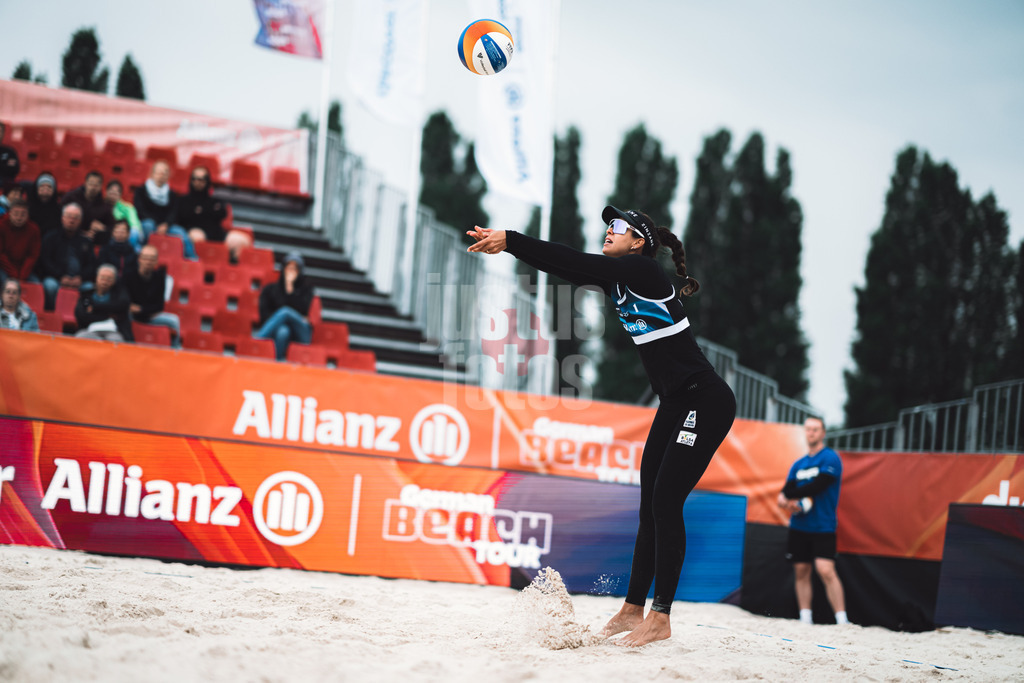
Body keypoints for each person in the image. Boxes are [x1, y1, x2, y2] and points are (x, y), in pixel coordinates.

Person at [467, 207, 737, 647]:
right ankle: (633, 608)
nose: (608, 232)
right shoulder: (621, 278)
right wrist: (514, 247)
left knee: (667, 501)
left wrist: (512, 240)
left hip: (705, 400)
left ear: (638, 243)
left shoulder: (641, 270)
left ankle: (661, 616)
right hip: (674, 402)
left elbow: (574, 260)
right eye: (607, 226)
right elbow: (567, 266)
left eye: (618, 228)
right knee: (649, 504)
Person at [776, 416, 849, 626]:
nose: (811, 433)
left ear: (823, 432)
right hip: (799, 525)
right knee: (801, 571)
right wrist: (788, 499)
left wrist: (791, 496)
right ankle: (805, 618)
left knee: (825, 569)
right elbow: (786, 490)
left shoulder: (830, 459)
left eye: (815, 429)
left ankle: (842, 620)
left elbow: (818, 486)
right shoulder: (798, 464)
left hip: (823, 524)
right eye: (808, 429)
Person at [255, 251, 314, 360]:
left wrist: (290, 287)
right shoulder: (270, 289)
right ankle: (278, 362)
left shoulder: (306, 290)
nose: (291, 272)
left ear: (300, 272)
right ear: (283, 269)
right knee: (283, 331)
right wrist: (281, 320)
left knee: (285, 311)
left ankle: (256, 341)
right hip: (278, 330)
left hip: (301, 332)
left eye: (295, 269)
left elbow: (304, 309)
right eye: (289, 268)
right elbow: (264, 315)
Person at [37, 203, 96, 310]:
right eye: (69, 216)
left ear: (80, 221)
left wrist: (81, 278)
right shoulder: (51, 237)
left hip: (79, 281)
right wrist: (60, 276)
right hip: (56, 279)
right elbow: (45, 261)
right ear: (62, 218)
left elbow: (91, 265)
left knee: (90, 288)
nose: (72, 220)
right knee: (50, 286)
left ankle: (80, 316)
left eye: (76, 218)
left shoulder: (86, 241)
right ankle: (51, 313)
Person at [134, 160, 196, 259]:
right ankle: (141, 256)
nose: (162, 175)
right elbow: (140, 210)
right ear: (152, 174)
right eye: (159, 172)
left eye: (165, 172)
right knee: (148, 225)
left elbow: (174, 212)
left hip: (166, 226)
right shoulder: (141, 191)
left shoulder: (172, 194)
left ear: (168, 176)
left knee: (181, 233)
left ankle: (193, 260)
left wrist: (166, 224)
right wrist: (156, 223)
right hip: (149, 223)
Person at [124, 244, 180, 346]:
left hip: (150, 316)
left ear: (156, 261)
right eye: (145, 258)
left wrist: (141, 309)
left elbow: (159, 306)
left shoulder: (160, 277)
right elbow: (126, 303)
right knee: (123, 316)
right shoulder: (128, 276)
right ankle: (128, 346)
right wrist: (138, 309)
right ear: (139, 259)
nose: (148, 262)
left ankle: (176, 351)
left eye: (152, 259)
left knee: (174, 321)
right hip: (132, 316)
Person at [74, 263, 132, 342]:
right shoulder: (86, 294)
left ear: (114, 281)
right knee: (80, 337)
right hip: (89, 330)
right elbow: (81, 315)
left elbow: (121, 307)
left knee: (117, 341)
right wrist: (109, 315)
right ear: (96, 278)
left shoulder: (119, 294)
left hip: (113, 331)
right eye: (102, 278)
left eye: (109, 279)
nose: (105, 282)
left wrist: (95, 308)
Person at [61, 170, 114, 245]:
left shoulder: (104, 205)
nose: (93, 187)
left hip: (91, 242)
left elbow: (112, 227)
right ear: (85, 183)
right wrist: (82, 234)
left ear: (101, 186)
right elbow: (58, 217)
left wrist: (102, 228)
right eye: (91, 184)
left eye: (96, 185)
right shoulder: (71, 197)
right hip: (69, 237)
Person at [178, 166, 228, 245]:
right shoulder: (183, 200)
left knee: (238, 240)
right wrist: (208, 211)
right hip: (193, 232)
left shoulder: (215, 201)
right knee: (197, 237)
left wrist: (201, 211)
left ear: (207, 181)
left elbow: (223, 213)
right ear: (191, 180)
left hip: (216, 234)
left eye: (202, 179)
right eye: (195, 179)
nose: (198, 182)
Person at [0, 199, 41, 288]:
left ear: (28, 215)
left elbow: (33, 255)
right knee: (6, 285)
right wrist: (14, 274)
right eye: (16, 214)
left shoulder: (33, 229)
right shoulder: (2, 225)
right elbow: (1, 254)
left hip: (24, 270)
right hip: (4, 268)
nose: (19, 218)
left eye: (23, 215)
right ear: (10, 213)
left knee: (36, 285)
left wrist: (22, 275)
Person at [104, 179, 143, 250]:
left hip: (125, 238)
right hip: (107, 236)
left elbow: (135, 226)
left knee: (135, 235)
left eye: (116, 192)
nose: (113, 194)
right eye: (111, 191)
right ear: (106, 192)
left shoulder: (127, 208)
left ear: (120, 195)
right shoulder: (100, 205)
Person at [27, 172, 61, 237]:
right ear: (36, 189)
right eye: (42, 186)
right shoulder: (28, 208)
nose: (45, 190)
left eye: (49, 187)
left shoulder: (58, 210)